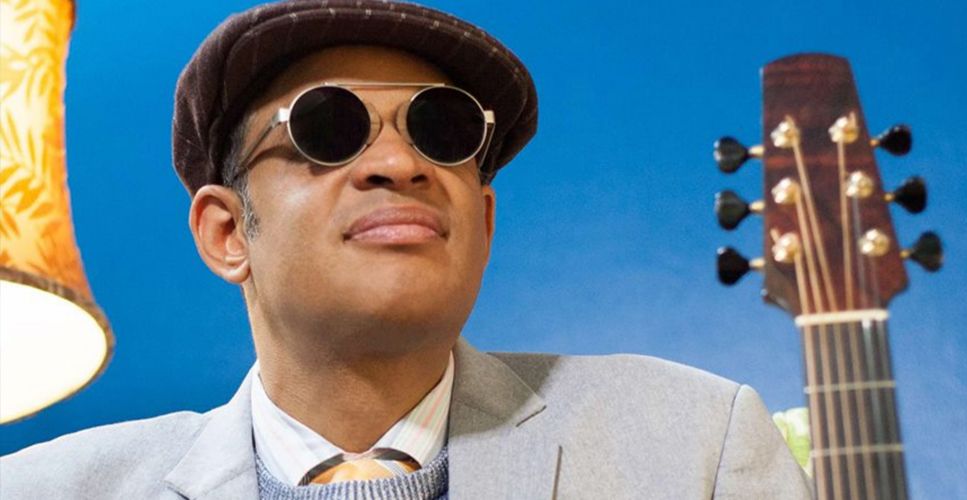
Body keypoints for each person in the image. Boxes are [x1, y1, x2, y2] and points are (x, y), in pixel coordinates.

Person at [0, 1, 812, 498]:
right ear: (226, 232)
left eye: (442, 129)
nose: (399, 162)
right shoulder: (43, 490)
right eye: (328, 127)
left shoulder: (695, 446)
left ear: (483, 221)